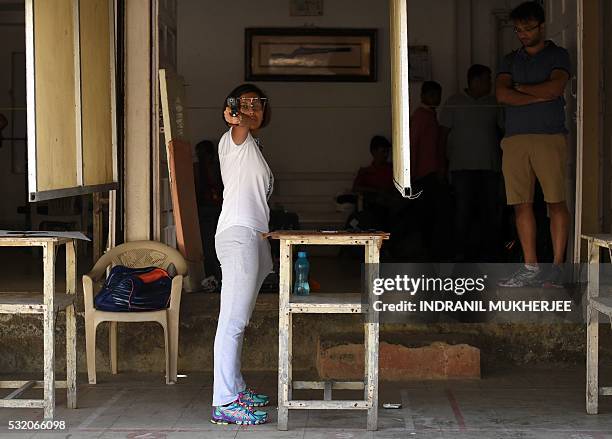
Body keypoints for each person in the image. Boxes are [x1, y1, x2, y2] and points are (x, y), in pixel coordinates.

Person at [495, 1, 571, 287]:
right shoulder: (509, 59)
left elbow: (556, 88)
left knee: (555, 201)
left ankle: (558, 268)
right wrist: (541, 95)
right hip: (514, 138)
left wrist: (522, 89)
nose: (523, 34)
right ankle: (530, 267)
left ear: (541, 26)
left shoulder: (558, 54)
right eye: (518, 30)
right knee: (520, 204)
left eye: (528, 28)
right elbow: (502, 95)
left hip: (549, 135)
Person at [211, 84, 273, 425]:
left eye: (258, 104)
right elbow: (241, 124)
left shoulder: (253, 145)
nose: (252, 110)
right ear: (232, 109)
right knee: (232, 322)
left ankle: (235, 387)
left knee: (240, 320)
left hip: (252, 236)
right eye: (244, 104)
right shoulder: (235, 137)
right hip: (238, 236)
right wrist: (237, 118)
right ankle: (223, 401)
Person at [440, 65, 502, 262]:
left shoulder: (494, 103)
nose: (490, 84)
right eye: (487, 80)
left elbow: (503, 131)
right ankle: (461, 253)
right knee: (462, 212)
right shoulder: (454, 102)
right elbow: (442, 135)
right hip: (461, 167)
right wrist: (442, 163)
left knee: (490, 211)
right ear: (474, 81)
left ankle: (489, 253)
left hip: (489, 167)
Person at [410, 81, 446, 260]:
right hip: (423, 174)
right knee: (426, 214)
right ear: (423, 96)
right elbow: (413, 144)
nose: (436, 99)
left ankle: (431, 250)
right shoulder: (420, 116)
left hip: (432, 172)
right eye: (432, 95)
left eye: (438, 95)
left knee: (433, 213)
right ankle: (425, 250)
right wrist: (412, 174)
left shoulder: (431, 115)